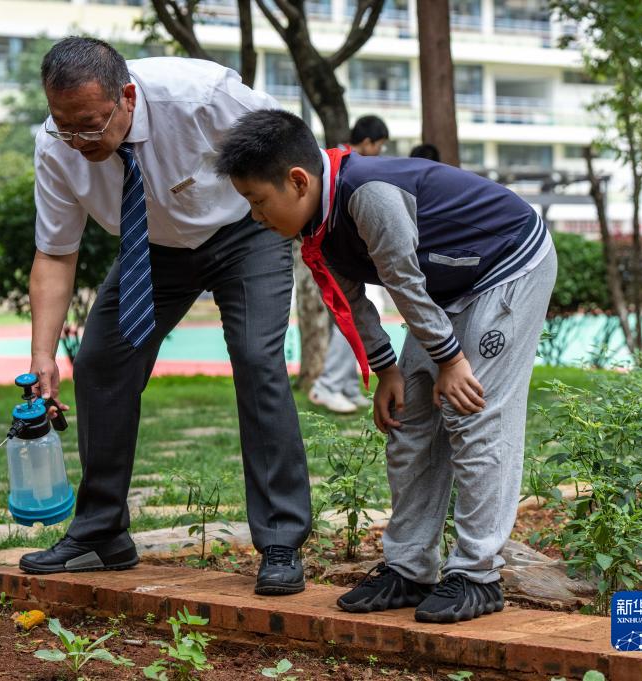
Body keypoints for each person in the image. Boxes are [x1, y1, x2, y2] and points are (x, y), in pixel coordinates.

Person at [216, 110, 556, 623]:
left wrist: (452, 360)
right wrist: (388, 372)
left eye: (259, 201)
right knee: (410, 418)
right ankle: (410, 567)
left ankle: (478, 574)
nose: (256, 216)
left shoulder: (368, 195)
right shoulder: (318, 226)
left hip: (508, 266)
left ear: (298, 181)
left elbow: (402, 283)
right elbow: (353, 299)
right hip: (449, 288)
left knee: (474, 410)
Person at [18, 38, 311, 596]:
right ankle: (102, 532)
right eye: (64, 126)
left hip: (244, 230)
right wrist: (42, 355)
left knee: (256, 357)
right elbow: (56, 252)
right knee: (102, 362)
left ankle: (280, 539)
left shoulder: (201, 97)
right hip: (151, 246)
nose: (77, 141)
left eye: (90, 125)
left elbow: (290, 150)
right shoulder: (55, 145)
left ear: (127, 96)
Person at [308, 115, 389, 414]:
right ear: (367, 142)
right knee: (352, 318)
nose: (379, 152)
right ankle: (327, 385)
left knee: (349, 319)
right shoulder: (344, 163)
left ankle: (346, 385)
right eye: (379, 145)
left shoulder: (337, 158)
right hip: (334, 254)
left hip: (345, 255)